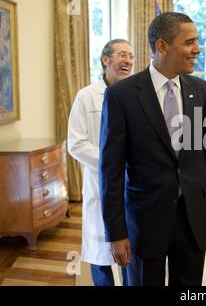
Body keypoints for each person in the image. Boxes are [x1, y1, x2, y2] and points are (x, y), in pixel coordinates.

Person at [99, 12, 206, 286]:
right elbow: (110, 171)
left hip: (192, 222)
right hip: (145, 223)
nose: (197, 49)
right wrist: (116, 232)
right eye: (189, 42)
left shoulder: (200, 90)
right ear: (162, 46)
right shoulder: (122, 95)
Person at [67, 39, 134, 286]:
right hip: (100, 185)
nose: (127, 60)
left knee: (130, 253)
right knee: (100, 256)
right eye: (121, 55)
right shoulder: (86, 96)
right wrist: (112, 161)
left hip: (132, 185)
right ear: (106, 60)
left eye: (130, 55)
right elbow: (75, 143)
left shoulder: (136, 95)